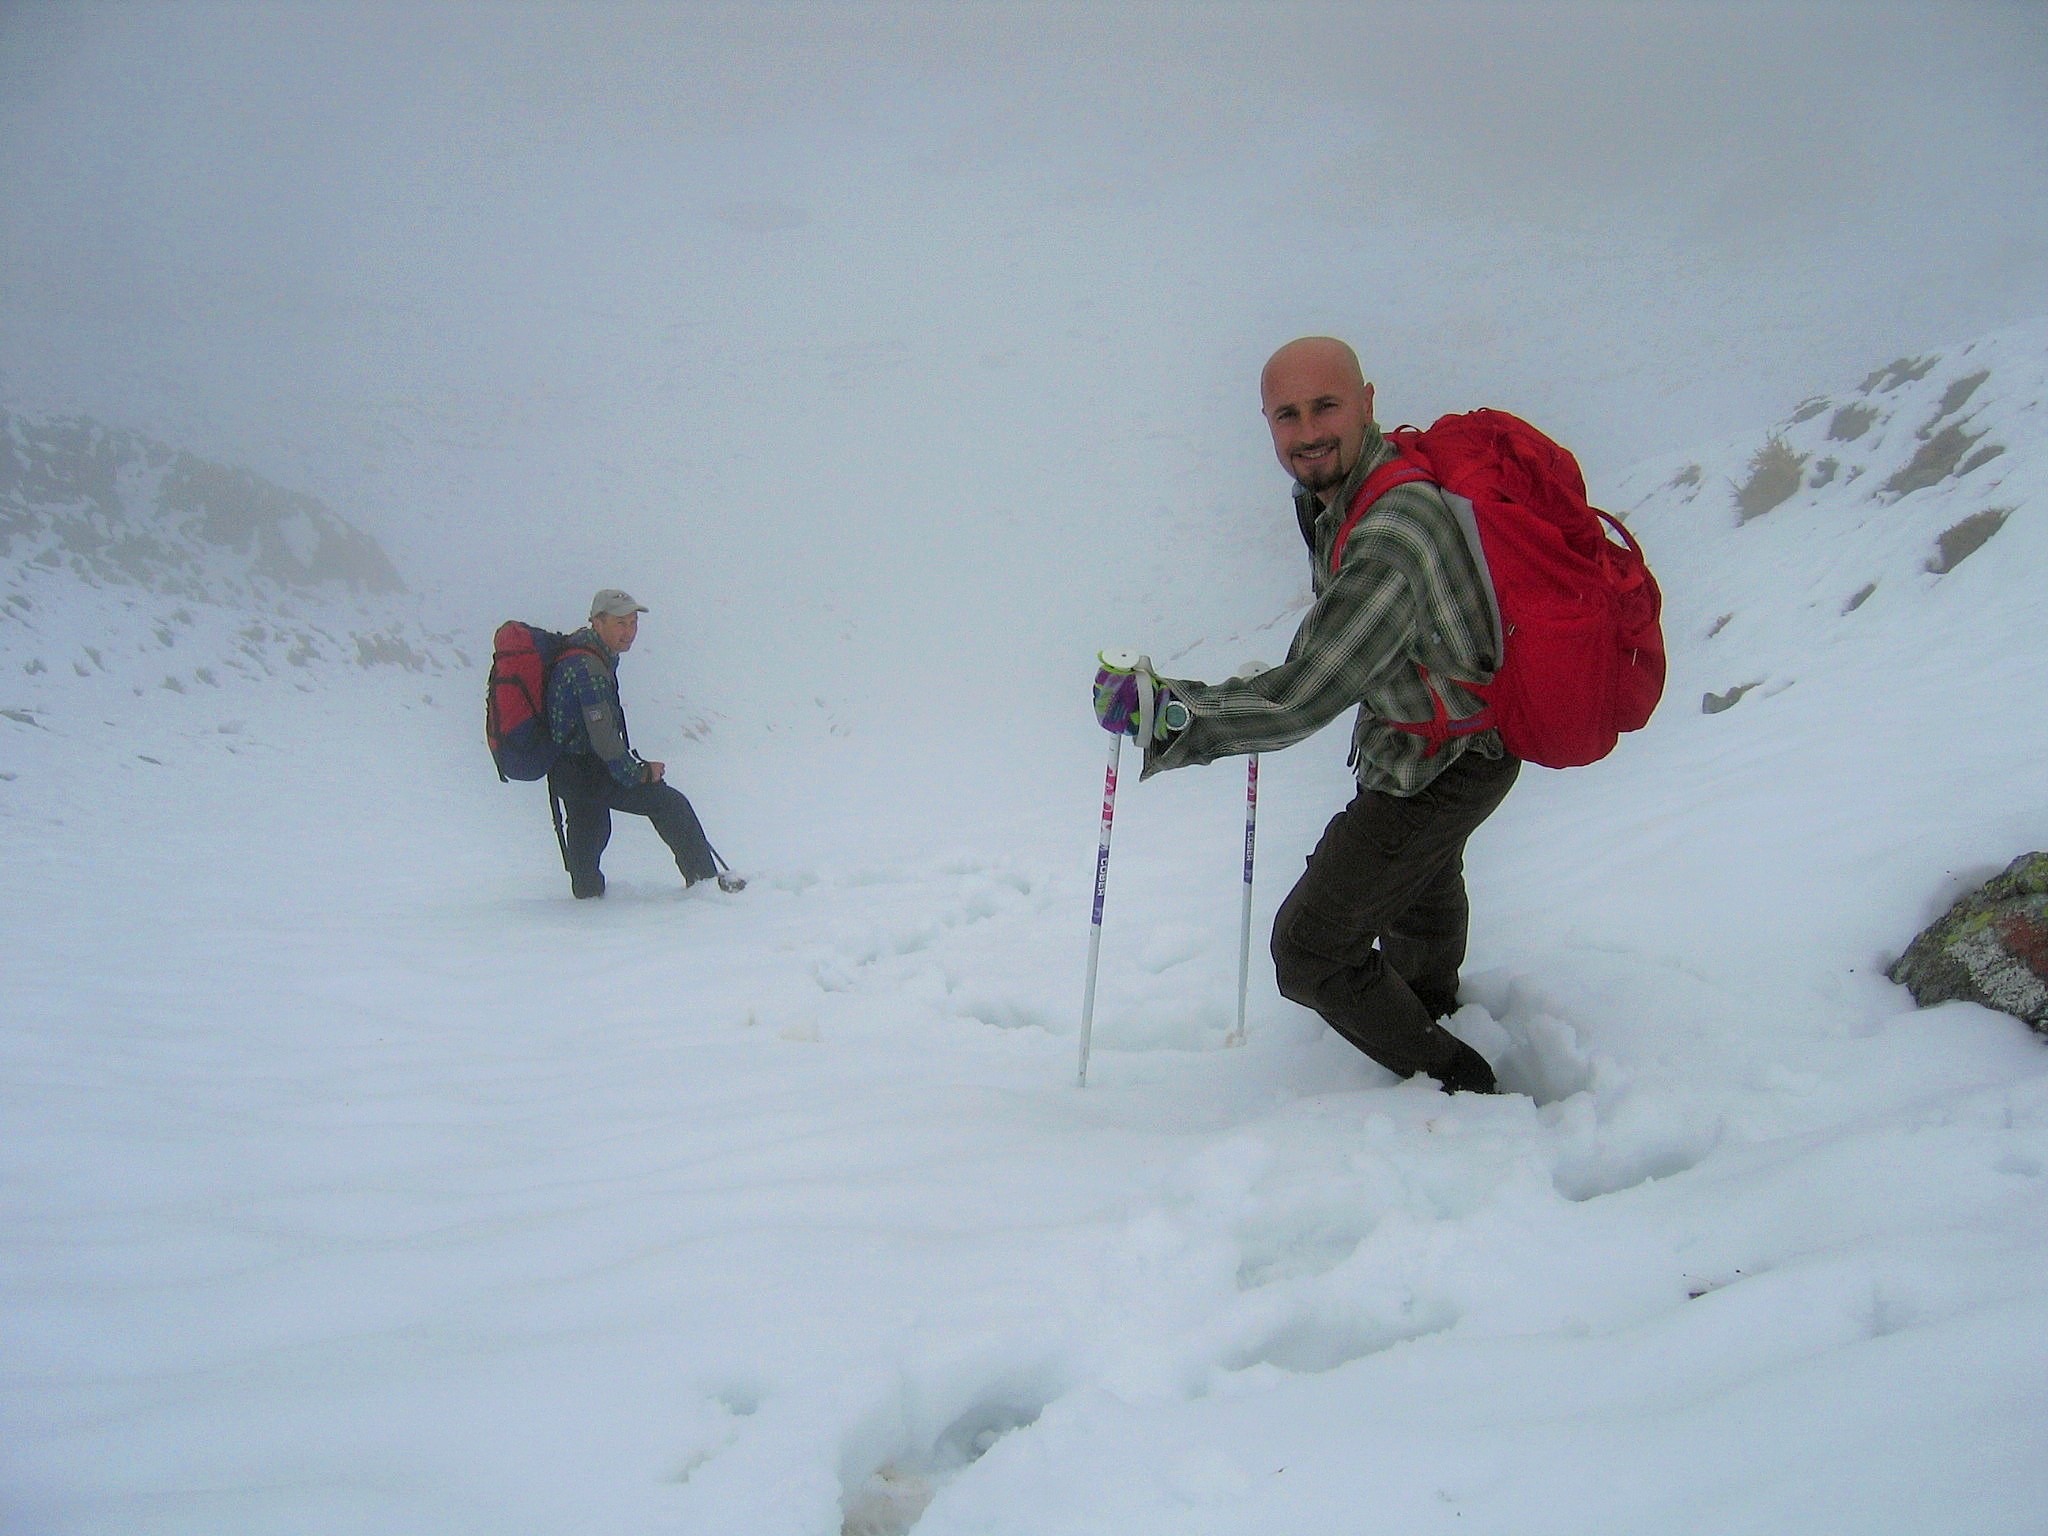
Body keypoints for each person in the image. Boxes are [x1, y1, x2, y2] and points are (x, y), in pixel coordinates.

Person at [1092, 338, 1514, 1093]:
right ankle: (1432, 1013)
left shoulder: (1391, 532)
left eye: (1326, 406)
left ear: (1368, 401)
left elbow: (1302, 698)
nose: (1308, 430)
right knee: (1416, 888)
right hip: (1427, 741)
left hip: (1449, 761)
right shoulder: (1343, 494)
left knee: (1312, 949)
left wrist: (1164, 713)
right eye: (1288, 415)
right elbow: (1351, 644)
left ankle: (1463, 1087)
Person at [546, 588, 745, 900]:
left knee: (589, 825)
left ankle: (585, 900)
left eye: (633, 623)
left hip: (566, 769)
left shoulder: (582, 655)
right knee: (669, 804)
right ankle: (707, 886)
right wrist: (639, 773)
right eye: (620, 623)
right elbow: (604, 739)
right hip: (586, 768)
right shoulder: (589, 669)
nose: (629, 632)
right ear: (597, 622)